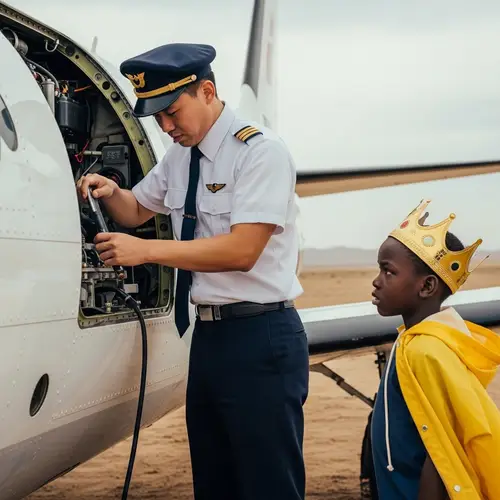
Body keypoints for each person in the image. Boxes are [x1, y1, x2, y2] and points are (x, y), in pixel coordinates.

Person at [76, 42, 309, 500]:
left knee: (268, 487)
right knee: (215, 484)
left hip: (262, 338)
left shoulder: (260, 153)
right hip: (209, 341)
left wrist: (145, 253)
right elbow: (137, 209)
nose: (165, 125)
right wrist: (110, 191)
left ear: (206, 91)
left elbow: (243, 250)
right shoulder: (181, 155)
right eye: (156, 116)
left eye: (172, 111)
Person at [370, 198, 500, 500]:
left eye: (389, 272)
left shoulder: (427, 351)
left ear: (426, 287)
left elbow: (442, 449)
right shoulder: (413, 340)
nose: (376, 282)